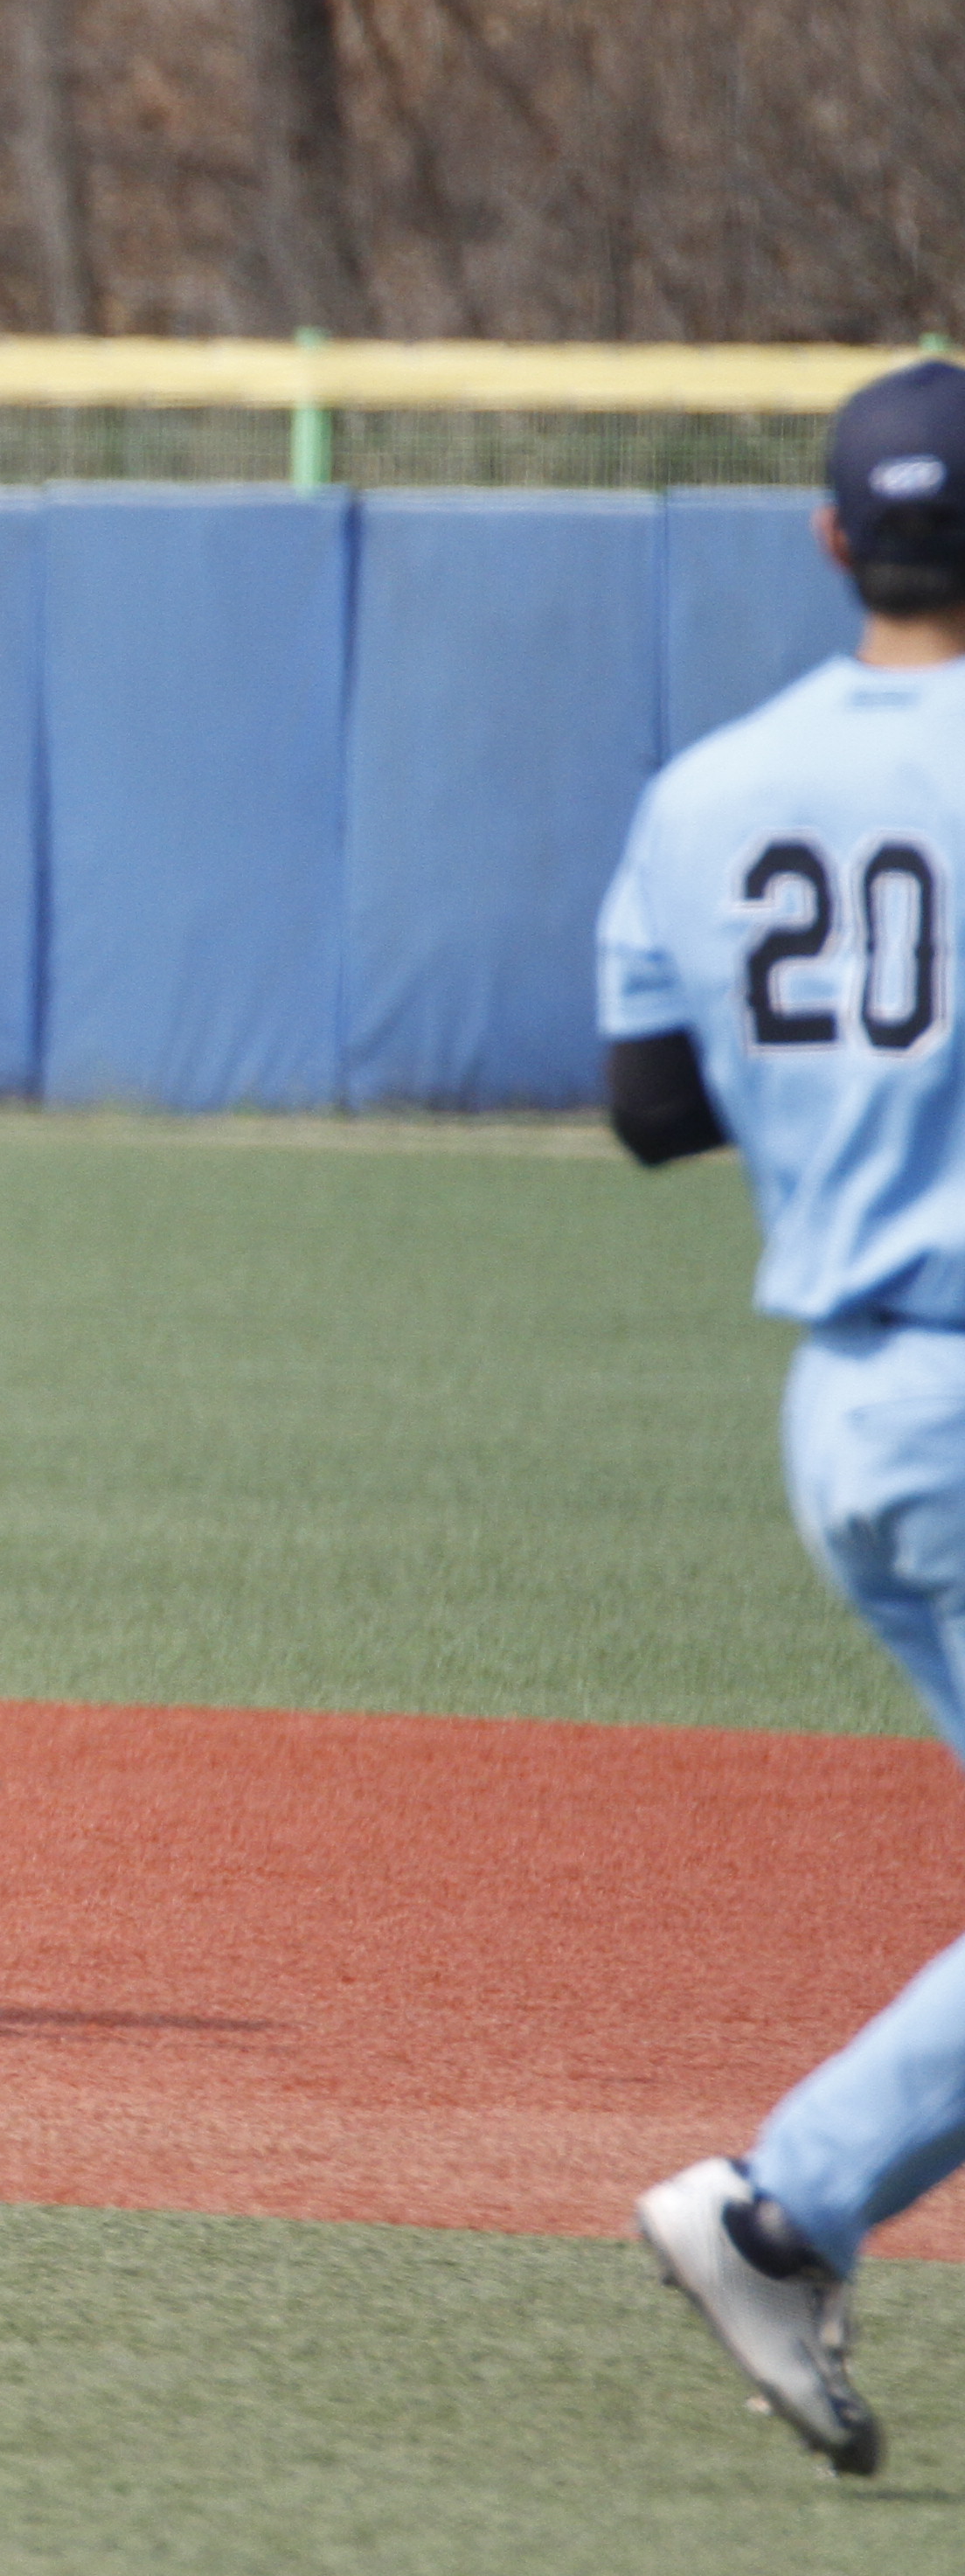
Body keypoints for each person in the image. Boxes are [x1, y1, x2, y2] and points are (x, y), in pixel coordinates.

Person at [613, 358, 965, 2476]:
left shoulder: (708, 792)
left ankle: (792, 2209)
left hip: (852, 1413)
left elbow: (651, 1105)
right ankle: (782, 2209)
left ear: (835, 540)